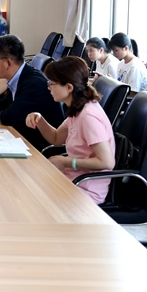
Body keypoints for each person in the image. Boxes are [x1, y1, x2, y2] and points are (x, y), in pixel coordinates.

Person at [25, 56, 115, 204]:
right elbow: (56, 138)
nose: (48, 87)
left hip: (85, 188)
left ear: (68, 87)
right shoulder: (78, 108)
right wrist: (39, 120)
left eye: (51, 83)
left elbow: (106, 162)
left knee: (30, 198)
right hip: (71, 179)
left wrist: (66, 162)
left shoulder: (88, 116)